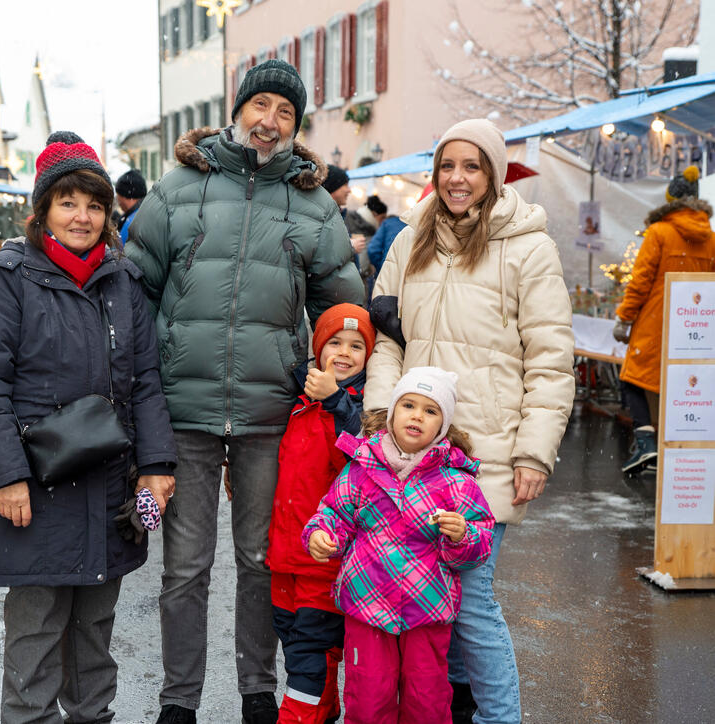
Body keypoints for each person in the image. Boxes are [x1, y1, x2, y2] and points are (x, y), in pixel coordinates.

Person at [126, 58, 365, 724]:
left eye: (285, 113)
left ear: (294, 125)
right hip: (185, 412)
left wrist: (318, 370)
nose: (269, 121)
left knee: (263, 561)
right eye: (261, 106)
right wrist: (145, 383)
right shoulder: (177, 189)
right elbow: (134, 290)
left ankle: (258, 690)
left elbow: (342, 308)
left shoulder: (313, 206)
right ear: (237, 111)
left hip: (273, 416)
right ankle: (179, 701)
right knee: (184, 567)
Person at [0, 131, 177, 724]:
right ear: (44, 209)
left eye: (94, 204)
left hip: (107, 488)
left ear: (107, 214)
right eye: (68, 202)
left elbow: (147, 383)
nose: (82, 216)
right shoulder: (8, 277)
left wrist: (156, 466)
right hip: (35, 489)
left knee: (95, 633)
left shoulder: (121, 281)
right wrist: (6, 474)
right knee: (36, 634)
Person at [366, 118, 574, 724]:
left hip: (487, 453)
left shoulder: (530, 248)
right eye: (447, 166)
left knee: (471, 599)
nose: (458, 179)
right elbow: (387, 342)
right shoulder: (410, 242)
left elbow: (551, 359)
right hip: (416, 451)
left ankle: (499, 717)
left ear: (494, 173)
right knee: (439, 600)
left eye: (472, 166)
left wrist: (534, 453)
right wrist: (382, 418)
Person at [304, 367, 494, 724]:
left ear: (443, 425)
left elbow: (481, 544)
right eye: (408, 405)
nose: (417, 416)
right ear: (392, 412)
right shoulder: (362, 467)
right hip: (366, 604)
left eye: (430, 410)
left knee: (427, 699)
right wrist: (321, 534)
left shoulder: (457, 481)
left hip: (427, 609)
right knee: (368, 696)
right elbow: (334, 512)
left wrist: (461, 534)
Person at [267, 303, 374, 723]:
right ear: (318, 348)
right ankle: (324, 713)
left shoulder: (360, 408)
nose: (344, 353)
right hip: (285, 556)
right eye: (334, 342)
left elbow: (360, 451)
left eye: (356, 346)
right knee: (295, 642)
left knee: (309, 654)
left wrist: (334, 400)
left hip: (325, 559)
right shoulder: (298, 403)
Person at [613, 165, 715, 473]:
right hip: (696, 328)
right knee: (684, 387)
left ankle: (646, 445)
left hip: (656, 324)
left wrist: (624, 317)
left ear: (671, 199)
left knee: (632, 380)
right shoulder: (710, 238)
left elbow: (641, 280)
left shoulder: (659, 232)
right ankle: (681, 449)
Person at [114, 168, 147, 244]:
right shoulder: (147, 212)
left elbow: (119, 252)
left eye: (118, 194)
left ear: (124, 195)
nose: (117, 200)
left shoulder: (132, 224)